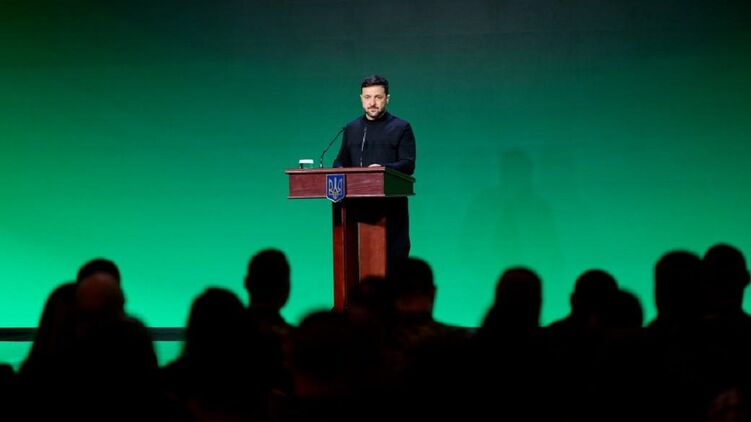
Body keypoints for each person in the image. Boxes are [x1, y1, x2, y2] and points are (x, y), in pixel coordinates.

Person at [333, 75, 416, 259]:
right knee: (357, 258)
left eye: (378, 97)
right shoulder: (352, 128)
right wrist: (339, 169)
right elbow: (340, 160)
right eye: (367, 97)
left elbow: (408, 164)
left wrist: (381, 169)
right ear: (361, 98)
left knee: (393, 262)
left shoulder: (401, 127)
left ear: (387, 98)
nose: (372, 103)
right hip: (355, 209)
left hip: (390, 210)